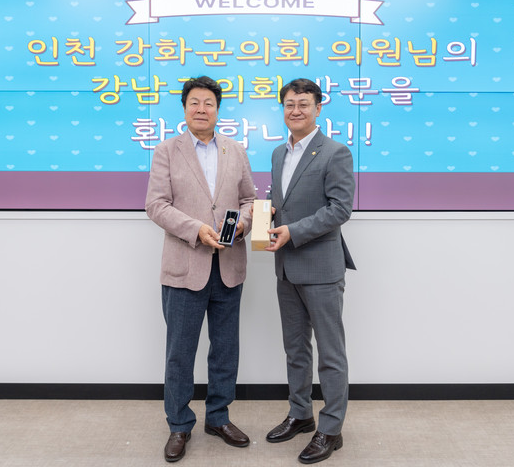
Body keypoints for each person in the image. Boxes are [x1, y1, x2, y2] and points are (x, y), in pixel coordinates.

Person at [145, 76, 257, 463]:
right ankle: (179, 425)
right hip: (184, 268)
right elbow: (156, 205)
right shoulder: (166, 151)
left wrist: (242, 224)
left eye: (209, 103)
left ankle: (218, 417)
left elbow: (249, 199)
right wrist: (196, 229)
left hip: (228, 266)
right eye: (194, 102)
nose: (201, 109)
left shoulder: (235, 150)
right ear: (184, 108)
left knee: (225, 350)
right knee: (180, 354)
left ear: (218, 109)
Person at [263, 78, 356, 464]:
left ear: (318, 108)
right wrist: (267, 212)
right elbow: (281, 201)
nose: (295, 110)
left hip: (320, 268)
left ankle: (331, 428)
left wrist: (293, 231)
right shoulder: (277, 153)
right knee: (295, 349)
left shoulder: (336, 152)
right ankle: (300, 414)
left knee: (330, 354)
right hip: (286, 268)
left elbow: (340, 209)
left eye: (303, 104)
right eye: (289, 104)